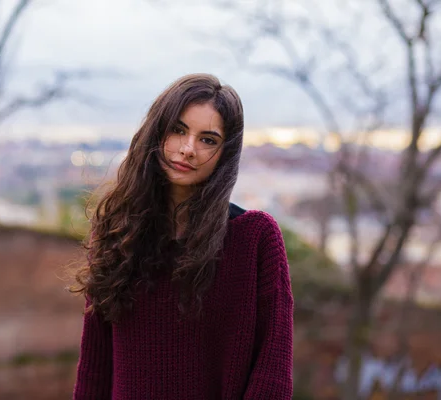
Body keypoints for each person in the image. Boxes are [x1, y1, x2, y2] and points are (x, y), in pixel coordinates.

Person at [71, 73, 293, 399]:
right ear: (157, 132)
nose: (188, 149)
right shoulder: (118, 232)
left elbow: (271, 376)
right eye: (178, 130)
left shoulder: (255, 239)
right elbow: (95, 369)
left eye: (208, 139)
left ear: (224, 153)